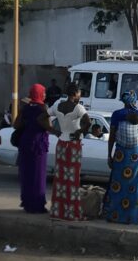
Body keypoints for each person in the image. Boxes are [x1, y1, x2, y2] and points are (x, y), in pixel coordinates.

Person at [105, 91, 138, 224]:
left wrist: (109, 155)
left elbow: (112, 137)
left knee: (118, 184)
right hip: (136, 154)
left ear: (123, 101)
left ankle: (115, 216)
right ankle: (134, 217)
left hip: (121, 154)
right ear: (134, 101)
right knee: (135, 185)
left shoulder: (117, 114)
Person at [51, 83, 90, 221]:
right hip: (73, 145)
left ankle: (58, 211)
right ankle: (72, 212)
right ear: (75, 94)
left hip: (61, 144)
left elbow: (42, 117)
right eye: (79, 93)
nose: (80, 96)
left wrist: (54, 131)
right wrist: (79, 131)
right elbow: (88, 122)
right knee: (73, 179)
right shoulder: (78, 107)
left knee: (60, 178)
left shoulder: (57, 106)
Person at [17, 83, 55, 214]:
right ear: (39, 94)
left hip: (25, 142)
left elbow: (16, 124)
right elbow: (48, 125)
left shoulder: (26, 107)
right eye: (43, 92)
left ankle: (27, 203)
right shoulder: (42, 108)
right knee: (38, 174)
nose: (45, 94)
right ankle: (37, 205)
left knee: (27, 173)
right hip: (38, 143)